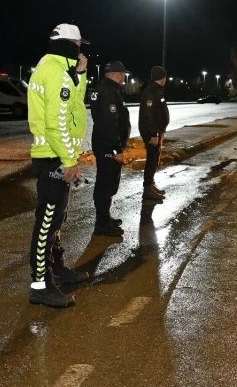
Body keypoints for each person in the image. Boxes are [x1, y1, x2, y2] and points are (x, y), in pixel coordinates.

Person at [26, 23, 90, 308]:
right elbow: (56, 123)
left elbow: (75, 105)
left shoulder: (57, 69)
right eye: (78, 45)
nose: (81, 50)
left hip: (56, 155)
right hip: (54, 156)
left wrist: (81, 75)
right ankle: (40, 285)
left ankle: (58, 269)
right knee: (47, 223)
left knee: (56, 219)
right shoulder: (55, 72)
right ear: (70, 45)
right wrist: (69, 161)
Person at [91, 61, 131, 236]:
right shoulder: (109, 92)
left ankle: (105, 218)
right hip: (108, 146)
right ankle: (102, 223)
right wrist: (117, 149)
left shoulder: (103, 88)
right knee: (106, 184)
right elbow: (109, 123)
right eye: (123, 75)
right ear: (118, 75)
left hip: (104, 143)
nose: (124, 78)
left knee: (106, 183)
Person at [139, 66, 170, 200]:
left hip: (156, 131)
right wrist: (153, 134)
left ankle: (151, 185)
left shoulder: (156, 90)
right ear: (162, 77)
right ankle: (147, 189)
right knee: (152, 160)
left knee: (154, 159)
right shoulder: (151, 91)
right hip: (151, 132)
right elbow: (149, 115)